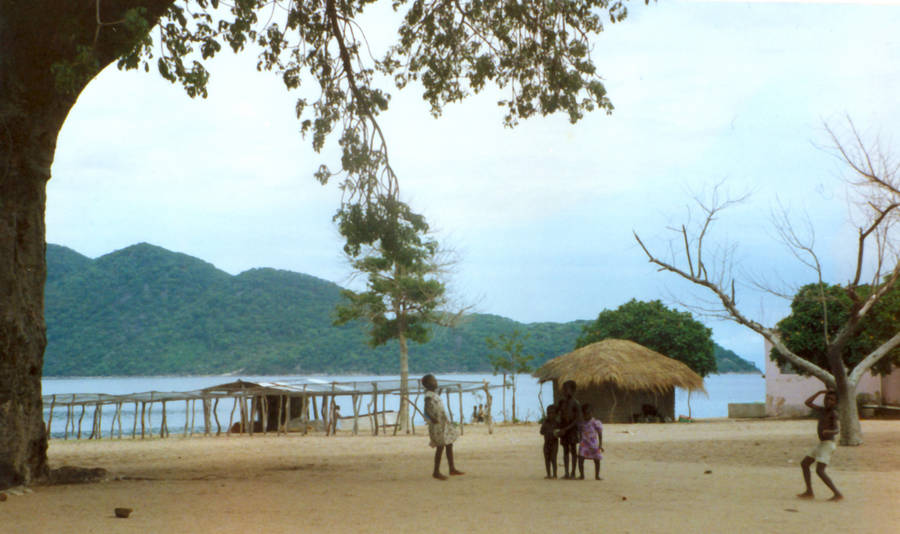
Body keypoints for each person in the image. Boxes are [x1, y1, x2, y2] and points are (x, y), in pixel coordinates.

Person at [797, 390, 843, 501]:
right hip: (822, 444)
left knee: (820, 471)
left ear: (836, 403)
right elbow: (807, 402)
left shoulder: (833, 413)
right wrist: (819, 392)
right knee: (805, 464)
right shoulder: (822, 410)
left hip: (828, 445)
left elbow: (837, 430)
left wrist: (829, 432)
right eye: (827, 398)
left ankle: (837, 494)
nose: (828, 401)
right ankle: (809, 491)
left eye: (832, 400)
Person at [422, 374, 464, 480]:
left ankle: (452, 468)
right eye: (433, 381)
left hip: (443, 423)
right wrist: (432, 419)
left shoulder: (434, 394)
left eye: (435, 380)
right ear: (427, 384)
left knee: (449, 444)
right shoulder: (428, 396)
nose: (435, 382)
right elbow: (426, 409)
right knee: (440, 447)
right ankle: (436, 471)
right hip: (437, 425)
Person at [554, 380, 582, 479]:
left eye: (567, 389)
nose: (565, 392)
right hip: (564, 430)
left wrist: (566, 428)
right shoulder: (562, 402)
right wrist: (559, 427)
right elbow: (557, 413)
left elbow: (577, 419)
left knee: (573, 451)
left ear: (573, 391)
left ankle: (573, 472)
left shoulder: (576, 403)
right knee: (565, 451)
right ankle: (566, 472)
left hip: (572, 430)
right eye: (564, 390)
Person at [577, 403, 603, 480]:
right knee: (581, 459)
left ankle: (597, 475)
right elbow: (579, 431)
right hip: (584, 443)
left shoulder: (595, 422)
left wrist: (600, 445)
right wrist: (580, 439)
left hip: (593, 444)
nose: (587, 415)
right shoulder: (581, 423)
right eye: (585, 413)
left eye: (589, 413)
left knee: (597, 460)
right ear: (583, 414)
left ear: (592, 412)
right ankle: (582, 475)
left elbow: (600, 434)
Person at [540, 404, 560, 479]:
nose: (550, 415)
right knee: (547, 459)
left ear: (555, 414)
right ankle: (548, 474)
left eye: (552, 413)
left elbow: (560, 433)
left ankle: (555, 474)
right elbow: (541, 432)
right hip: (546, 443)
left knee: (553, 459)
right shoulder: (545, 422)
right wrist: (545, 429)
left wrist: (556, 433)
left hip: (554, 443)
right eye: (548, 413)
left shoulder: (557, 423)